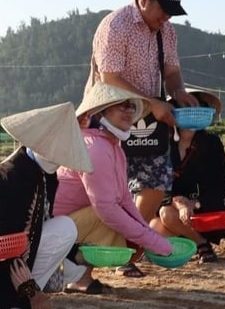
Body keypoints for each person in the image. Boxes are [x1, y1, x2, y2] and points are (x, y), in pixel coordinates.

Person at [87, 0, 200, 233]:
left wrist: (179, 92)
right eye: (164, 9)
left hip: (150, 116)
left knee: (156, 183)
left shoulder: (167, 31)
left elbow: (171, 74)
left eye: (172, 12)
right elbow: (110, 79)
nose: (167, 17)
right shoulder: (116, 25)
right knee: (112, 187)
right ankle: (109, 245)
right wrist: (153, 103)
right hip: (108, 116)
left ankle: (128, 244)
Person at [0, 102, 92, 309]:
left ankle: (31, 289)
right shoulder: (14, 176)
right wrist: (30, 291)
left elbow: (39, 225)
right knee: (64, 228)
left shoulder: (44, 172)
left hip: (15, 252)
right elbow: (7, 242)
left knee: (64, 228)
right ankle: (17, 298)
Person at [53, 82, 173, 291]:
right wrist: (157, 244)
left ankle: (77, 273)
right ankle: (73, 270)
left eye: (131, 106)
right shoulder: (95, 148)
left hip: (67, 224)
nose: (128, 111)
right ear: (100, 112)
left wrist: (151, 238)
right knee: (109, 216)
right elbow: (107, 208)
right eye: (121, 105)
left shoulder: (113, 147)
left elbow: (126, 199)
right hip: (53, 229)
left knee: (119, 215)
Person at [152, 89, 225, 262]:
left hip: (202, 208)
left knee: (167, 218)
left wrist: (193, 203)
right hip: (170, 208)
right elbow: (154, 181)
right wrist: (178, 202)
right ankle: (198, 242)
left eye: (197, 106)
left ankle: (201, 244)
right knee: (159, 224)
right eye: (185, 106)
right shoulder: (161, 142)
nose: (192, 111)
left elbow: (220, 185)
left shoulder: (212, 143)